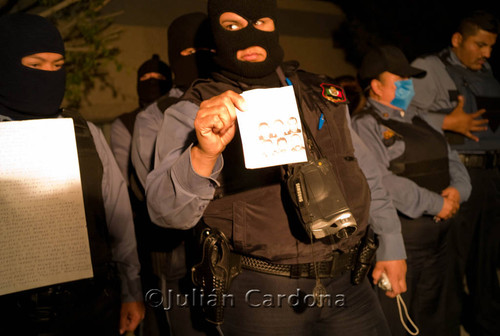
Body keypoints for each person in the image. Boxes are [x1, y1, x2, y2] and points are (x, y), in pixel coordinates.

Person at [145, 1, 407, 334]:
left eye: (261, 21)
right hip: (263, 295)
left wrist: (392, 243)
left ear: (275, 25)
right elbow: (164, 212)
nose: (249, 33)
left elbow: (366, 173)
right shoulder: (194, 110)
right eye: (233, 26)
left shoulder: (320, 93)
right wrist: (202, 152)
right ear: (216, 34)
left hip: (350, 285)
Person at [0, 13, 144, 335]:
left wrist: (131, 290)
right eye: (36, 65)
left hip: (90, 309)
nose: (48, 75)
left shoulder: (86, 134)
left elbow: (118, 219)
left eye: (57, 65)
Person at [352, 45, 472, 336]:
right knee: (398, 319)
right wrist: (436, 203)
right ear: (377, 87)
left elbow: (453, 161)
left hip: (442, 238)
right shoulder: (364, 126)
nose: (409, 87)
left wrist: (457, 192)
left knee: (439, 315)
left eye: (410, 81)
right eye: (401, 81)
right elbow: (381, 182)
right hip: (405, 240)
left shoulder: (422, 121)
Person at [409, 10, 500, 335]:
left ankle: (485, 323)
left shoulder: (487, 71)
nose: (487, 53)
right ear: (457, 40)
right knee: (450, 264)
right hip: (456, 175)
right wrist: (446, 122)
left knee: (486, 261)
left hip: (490, 178)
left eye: (491, 46)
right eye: (480, 45)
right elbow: (402, 114)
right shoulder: (429, 67)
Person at [130, 12, 216, 336]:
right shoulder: (155, 116)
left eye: (206, 50)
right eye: (188, 53)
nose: (198, 60)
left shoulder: (236, 101)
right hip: (181, 260)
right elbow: (155, 189)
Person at [110, 54, 173, 184]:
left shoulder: (181, 114)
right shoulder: (126, 123)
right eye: (146, 77)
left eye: (159, 77)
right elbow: (123, 175)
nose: (152, 82)